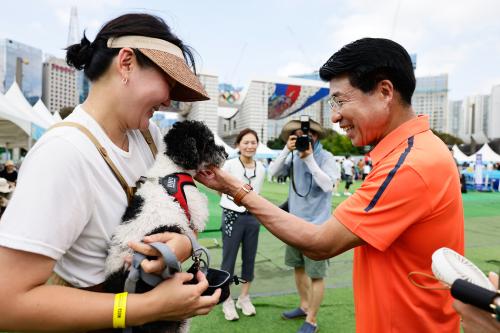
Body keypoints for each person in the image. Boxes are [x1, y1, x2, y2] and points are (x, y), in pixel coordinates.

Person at [195, 38, 464, 333]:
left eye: (340, 101)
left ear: (384, 92)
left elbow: (321, 243)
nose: (335, 116)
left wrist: (236, 189)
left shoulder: (412, 163)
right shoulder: (417, 150)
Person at [0, 13, 220, 332]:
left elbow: (182, 215)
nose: (170, 98)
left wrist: (183, 244)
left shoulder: (151, 137)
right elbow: (7, 303)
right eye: (168, 81)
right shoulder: (63, 153)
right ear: (127, 62)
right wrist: (145, 307)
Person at [269, 118, 340, 333]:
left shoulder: (326, 157)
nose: (305, 138)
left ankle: (312, 320)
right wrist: (285, 150)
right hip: (294, 224)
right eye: (299, 135)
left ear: (316, 136)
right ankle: (303, 305)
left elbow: (328, 185)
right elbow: (273, 173)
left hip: (318, 227)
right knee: (298, 268)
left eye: (309, 135)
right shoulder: (292, 155)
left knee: (316, 275)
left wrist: (309, 159)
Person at [219, 128, 266, 321]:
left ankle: (244, 297)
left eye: (253, 142)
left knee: (250, 258)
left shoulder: (262, 167)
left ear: (257, 144)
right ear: (238, 145)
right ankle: (227, 299)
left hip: (252, 217)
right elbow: (220, 188)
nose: (249, 146)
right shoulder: (229, 165)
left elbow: (258, 194)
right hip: (231, 216)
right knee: (228, 259)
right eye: (245, 142)